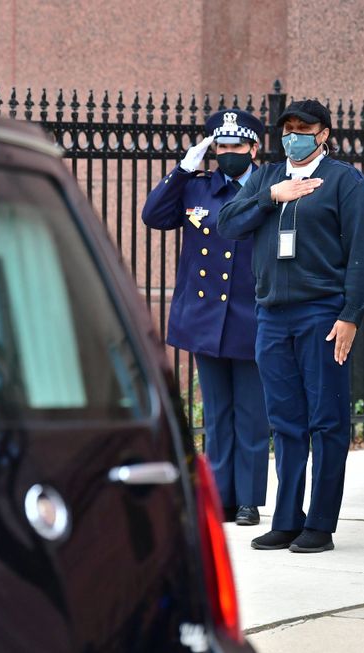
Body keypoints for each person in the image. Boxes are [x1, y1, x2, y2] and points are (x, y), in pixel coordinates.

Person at [217, 99, 364, 553]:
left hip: (321, 313)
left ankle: (320, 523)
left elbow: (362, 253)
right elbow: (227, 223)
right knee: (285, 420)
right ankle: (287, 518)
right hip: (272, 314)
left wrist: (351, 316)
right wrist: (272, 197)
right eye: (287, 129)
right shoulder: (267, 177)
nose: (293, 136)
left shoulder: (344, 181)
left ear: (323, 133)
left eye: (303, 128)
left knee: (326, 420)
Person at [142, 109, 269, 526]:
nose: (228, 153)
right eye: (221, 147)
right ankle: (221, 497)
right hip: (205, 317)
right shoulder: (198, 188)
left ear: (255, 148)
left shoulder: (268, 187)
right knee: (216, 414)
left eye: (236, 146)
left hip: (250, 315)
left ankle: (248, 499)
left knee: (251, 414)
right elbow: (153, 216)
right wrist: (182, 169)